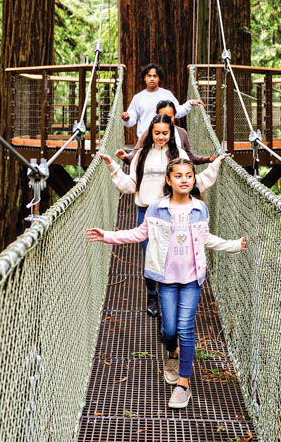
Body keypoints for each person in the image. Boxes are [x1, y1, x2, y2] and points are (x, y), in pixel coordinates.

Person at [87, 158, 246, 409]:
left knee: (185, 328)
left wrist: (234, 246)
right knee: (169, 330)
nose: (185, 180)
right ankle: (172, 353)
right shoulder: (156, 209)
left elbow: (206, 238)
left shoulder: (200, 209)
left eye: (189, 176)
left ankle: (183, 383)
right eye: (179, 176)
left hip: (193, 279)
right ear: (168, 180)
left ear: (194, 180)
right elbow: (139, 234)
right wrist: (107, 235)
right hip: (166, 279)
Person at [97, 114, 228, 317]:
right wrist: (112, 166)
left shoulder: (179, 154)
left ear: (171, 133)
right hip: (148, 212)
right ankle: (152, 294)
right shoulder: (140, 155)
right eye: (156, 133)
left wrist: (215, 165)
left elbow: (194, 182)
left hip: (174, 211)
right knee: (150, 256)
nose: (160, 137)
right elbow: (131, 185)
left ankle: (170, 299)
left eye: (165, 133)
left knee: (172, 255)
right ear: (151, 132)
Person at [116, 100, 215, 165]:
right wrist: (126, 158)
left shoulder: (181, 133)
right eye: (163, 116)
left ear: (174, 116)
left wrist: (207, 159)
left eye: (170, 117)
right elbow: (136, 153)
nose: (167, 120)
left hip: (177, 178)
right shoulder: (149, 133)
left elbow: (189, 156)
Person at [121, 63, 204, 138]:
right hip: (145, 140)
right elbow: (131, 120)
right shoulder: (138, 98)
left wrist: (190, 103)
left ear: (159, 78)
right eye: (149, 76)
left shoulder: (167, 94)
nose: (152, 79)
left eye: (155, 76)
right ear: (145, 78)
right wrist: (126, 119)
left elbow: (177, 112)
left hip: (164, 138)